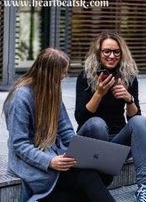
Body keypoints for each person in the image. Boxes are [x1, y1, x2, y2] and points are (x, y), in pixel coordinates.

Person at [3, 48, 116, 202]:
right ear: (48, 73)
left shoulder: (52, 90)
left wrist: (81, 151)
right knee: (86, 177)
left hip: (57, 155)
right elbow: (20, 144)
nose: (64, 77)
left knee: (98, 172)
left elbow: (66, 130)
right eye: (61, 73)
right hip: (35, 163)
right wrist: (49, 161)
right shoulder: (20, 97)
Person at [75, 31, 146, 202]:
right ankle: (97, 181)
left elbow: (135, 120)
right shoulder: (85, 77)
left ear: (122, 53)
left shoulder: (128, 77)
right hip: (91, 140)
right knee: (97, 124)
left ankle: (144, 188)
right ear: (98, 53)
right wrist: (99, 93)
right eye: (106, 51)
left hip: (117, 142)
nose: (111, 56)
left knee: (141, 121)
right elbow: (81, 118)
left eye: (116, 51)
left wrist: (128, 99)